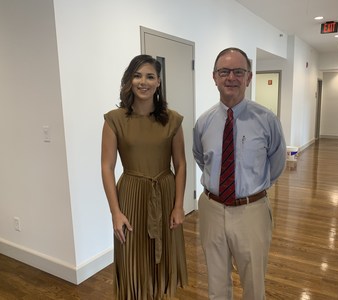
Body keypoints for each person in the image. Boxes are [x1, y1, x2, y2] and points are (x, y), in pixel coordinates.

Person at [193, 47, 286, 300]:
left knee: (254, 284)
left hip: (251, 211)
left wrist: (249, 188)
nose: (231, 77)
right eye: (224, 71)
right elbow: (202, 159)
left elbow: (277, 164)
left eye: (238, 71)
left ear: (249, 77)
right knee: (216, 285)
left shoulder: (267, 120)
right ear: (214, 77)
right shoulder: (204, 122)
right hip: (212, 209)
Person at [101, 54, 188, 299]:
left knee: (163, 260)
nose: (143, 82)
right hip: (130, 196)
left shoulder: (172, 120)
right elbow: (107, 167)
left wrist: (179, 206)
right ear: (129, 80)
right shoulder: (114, 120)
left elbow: (180, 164)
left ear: (158, 82)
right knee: (132, 260)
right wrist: (115, 212)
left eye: (150, 76)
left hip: (165, 193)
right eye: (137, 75)